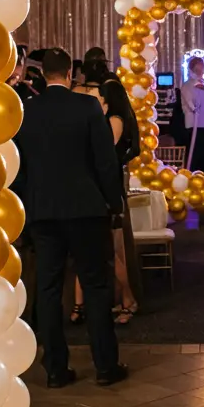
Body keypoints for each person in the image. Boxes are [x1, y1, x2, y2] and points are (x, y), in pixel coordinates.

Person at [15, 46, 127, 388]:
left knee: (48, 289)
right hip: (85, 208)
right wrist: (114, 203)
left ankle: (55, 369)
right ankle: (106, 366)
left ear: (44, 74)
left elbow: (20, 166)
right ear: (69, 74)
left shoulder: (26, 111)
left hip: (43, 211)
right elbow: (105, 160)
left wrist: (25, 208)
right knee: (95, 285)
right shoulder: (87, 105)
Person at [71, 54, 142, 326]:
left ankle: (128, 299)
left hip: (107, 189)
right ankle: (105, 301)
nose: (93, 100)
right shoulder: (101, 120)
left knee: (114, 251)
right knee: (101, 251)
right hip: (100, 188)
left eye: (98, 97)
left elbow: (105, 156)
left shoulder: (113, 121)